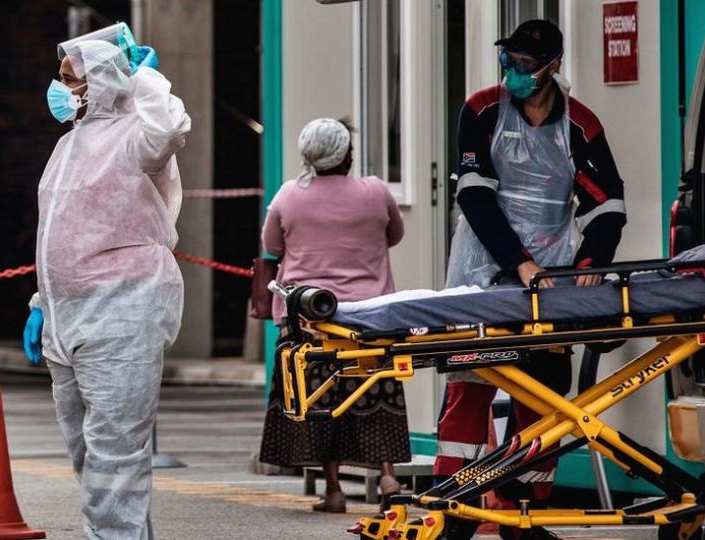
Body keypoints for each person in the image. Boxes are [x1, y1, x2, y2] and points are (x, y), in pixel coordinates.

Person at [438, 19, 626, 540]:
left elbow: (607, 204)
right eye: (509, 62)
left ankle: (524, 510)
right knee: (471, 384)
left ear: (553, 67)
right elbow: (474, 195)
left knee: (543, 394)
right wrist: (519, 264)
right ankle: (457, 503)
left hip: (553, 268)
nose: (513, 72)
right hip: (483, 263)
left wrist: (590, 264)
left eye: (524, 64)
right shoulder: (481, 110)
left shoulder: (581, 127)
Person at [21, 24, 190, 540]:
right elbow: (60, 227)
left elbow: (170, 129)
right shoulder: (68, 145)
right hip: (65, 314)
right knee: (87, 451)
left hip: (124, 307)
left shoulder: (137, 135)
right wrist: (40, 301)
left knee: (115, 450)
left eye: (71, 80)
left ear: (104, 81)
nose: (61, 89)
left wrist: (145, 79)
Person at [258, 118, 410, 513]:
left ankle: (334, 489)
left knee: (322, 402)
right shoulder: (376, 191)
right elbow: (395, 234)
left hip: (310, 318)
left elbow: (272, 245)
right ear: (348, 155)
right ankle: (389, 476)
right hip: (370, 318)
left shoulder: (289, 196)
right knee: (376, 395)